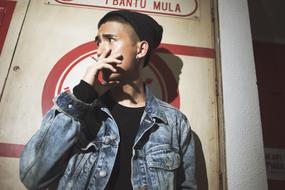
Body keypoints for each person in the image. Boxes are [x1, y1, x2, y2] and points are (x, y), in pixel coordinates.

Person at [19, 10, 197, 190]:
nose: (100, 50)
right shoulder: (81, 112)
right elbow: (33, 178)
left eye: (111, 39)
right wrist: (82, 96)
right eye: (99, 42)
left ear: (141, 49)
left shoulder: (174, 123)